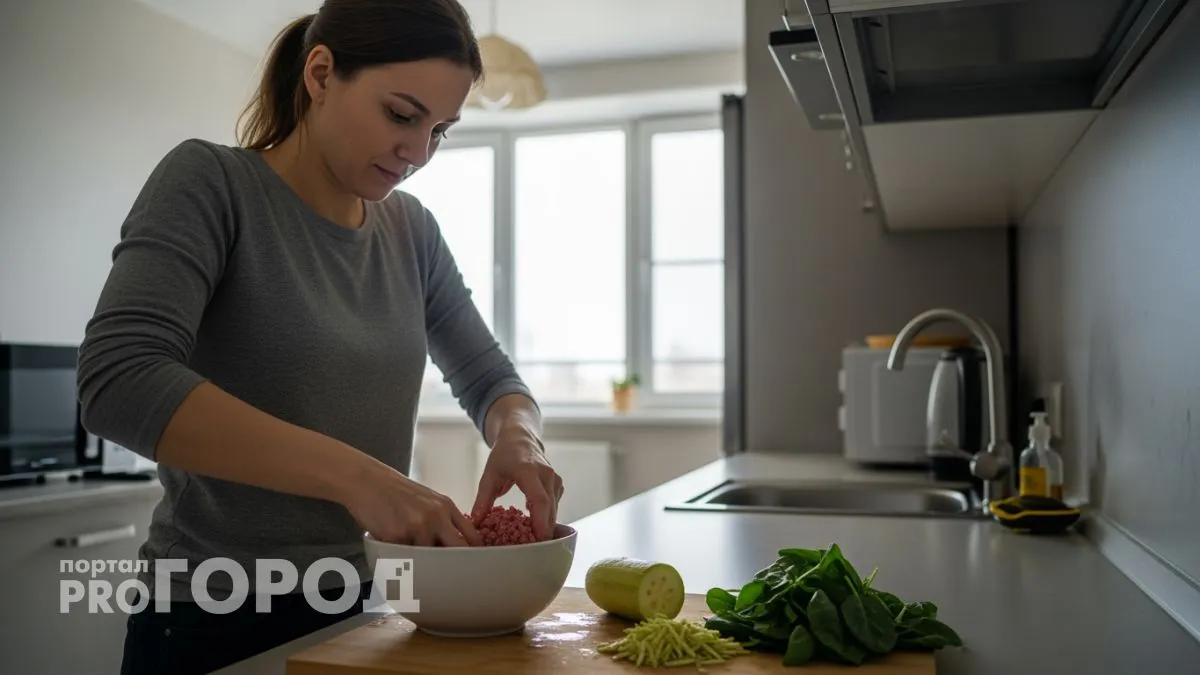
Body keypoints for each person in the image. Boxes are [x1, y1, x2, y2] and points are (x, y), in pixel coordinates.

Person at [75, 1, 563, 673]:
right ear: (321, 73)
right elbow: (119, 380)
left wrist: (519, 436)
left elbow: (490, 378)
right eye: (401, 114)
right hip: (214, 614)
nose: (418, 152)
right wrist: (361, 480)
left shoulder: (411, 232)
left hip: (370, 605)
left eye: (440, 131)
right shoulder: (212, 184)